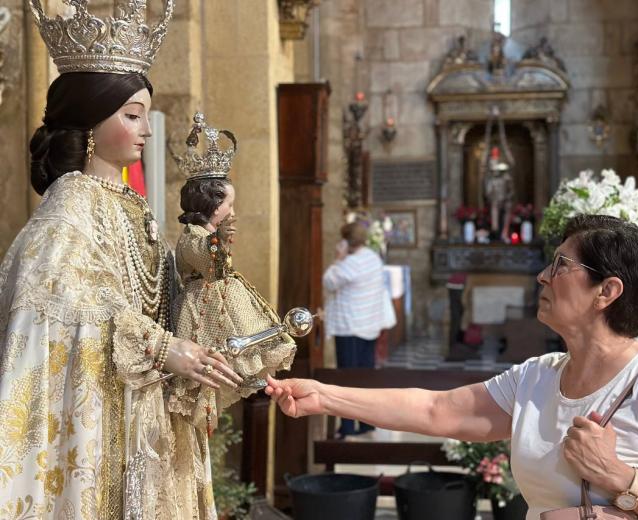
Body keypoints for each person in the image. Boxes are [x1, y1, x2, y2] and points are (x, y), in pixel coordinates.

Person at [266, 215, 638, 520]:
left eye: (560, 265)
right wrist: (324, 396)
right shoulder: (538, 376)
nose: (542, 275)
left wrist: (621, 479)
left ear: (606, 292)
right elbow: (435, 410)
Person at [0, 2, 242, 517]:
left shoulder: (130, 205)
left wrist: (201, 250)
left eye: (144, 115)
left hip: (149, 415)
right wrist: (159, 349)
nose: (146, 129)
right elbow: (58, 307)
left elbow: (154, 295)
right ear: (90, 121)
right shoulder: (69, 207)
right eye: (131, 115)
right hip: (108, 426)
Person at [170, 112, 297, 439]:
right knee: (222, 353)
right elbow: (211, 266)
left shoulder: (208, 233)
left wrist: (223, 239)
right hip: (203, 307)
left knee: (246, 336)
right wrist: (220, 239)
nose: (234, 211)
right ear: (211, 204)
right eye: (229, 204)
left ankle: (250, 371)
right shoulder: (192, 236)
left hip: (221, 297)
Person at [322, 222, 396, 438]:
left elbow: (328, 282)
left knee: (347, 379)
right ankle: (366, 423)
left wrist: (338, 257)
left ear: (346, 241)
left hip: (350, 327)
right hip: (369, 325)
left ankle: (346, 427)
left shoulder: (350, 264)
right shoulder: (373, 258)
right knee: (365, 378)